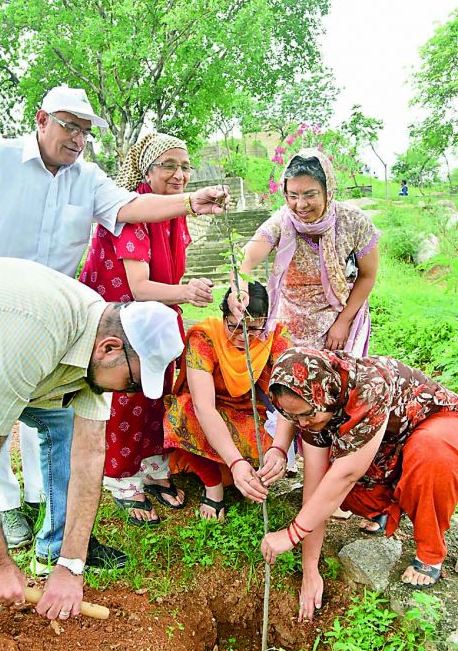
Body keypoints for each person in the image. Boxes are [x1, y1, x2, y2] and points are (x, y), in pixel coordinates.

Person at [0, 85, 228, 550]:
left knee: (51, 412)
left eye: (85, 132)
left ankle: (44, 508)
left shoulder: (86, 178)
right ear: (41, 118)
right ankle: (7, 505)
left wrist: (192, 201)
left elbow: (131, 207)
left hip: (56, 316)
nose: (77, 139)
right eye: (70, 125)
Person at [0, 257, 184, 620]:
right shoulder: (35, 331)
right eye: (132, 381)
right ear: (110, 348)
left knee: (66, 427)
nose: (130, 392)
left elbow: (89, 454)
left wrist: (70, 567)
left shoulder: (97, 339)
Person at [261, 348, 458, 621]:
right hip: (385, 446)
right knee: (336, 488)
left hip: (433, 425)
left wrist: (291, 535)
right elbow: (316, 487)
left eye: (306, 415)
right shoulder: (312, 404)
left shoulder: (369, 386)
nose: (302, 424)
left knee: (430, 454)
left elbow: (346, 475)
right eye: (294, 417)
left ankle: (431, 551)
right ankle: (388, 507)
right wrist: (310, 570)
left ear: (323, 394)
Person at [80, 133, 213, 525]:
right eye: (168, 165)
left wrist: (178, 295)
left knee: (161, 388)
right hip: (122, 319)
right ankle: (120, 476)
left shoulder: (174, 212)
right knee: (127, 391)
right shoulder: (131, 213)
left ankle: (153, 465)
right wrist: (186, 292)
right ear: (146, 169)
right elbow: (139, 287)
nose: (179, 175)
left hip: (156, 314)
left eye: (185, 167)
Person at [228, 148, 380, 354]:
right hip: (291, 322)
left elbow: (368, 275)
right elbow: (242, 260)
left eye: (310, 195)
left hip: (339, 319)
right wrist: (240, 289)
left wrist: (344, 322)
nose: (300, 205)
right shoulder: (282, 222)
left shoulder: (354, 221)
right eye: (293, 195)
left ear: (328, 191)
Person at [164, 282, 294, 520]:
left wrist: (280, 449)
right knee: (182, 413)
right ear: (223, 315)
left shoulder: (276, 337)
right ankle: (214, 485)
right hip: (211, 415)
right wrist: (235, 462)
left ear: (265, 321)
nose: (241, 337)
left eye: (253, 329)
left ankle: (242, 474)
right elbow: (203, 407)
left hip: (254, 417)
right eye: (233, 326)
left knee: (273, 446)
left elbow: (290, 400)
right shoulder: (205, 338)